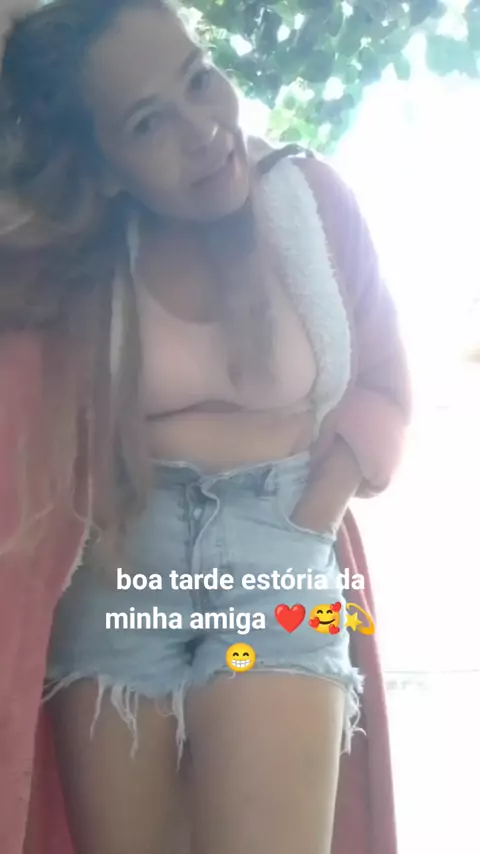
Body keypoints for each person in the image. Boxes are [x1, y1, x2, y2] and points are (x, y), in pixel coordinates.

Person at [0, 1, 411, 853]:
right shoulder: (73, 261)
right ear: (104, 168)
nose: (204, 131)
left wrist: (312, 515)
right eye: (148, 122)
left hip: (283, 562)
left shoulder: (309, 200)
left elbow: (383, 387)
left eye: (198, 79)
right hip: (122, 571)